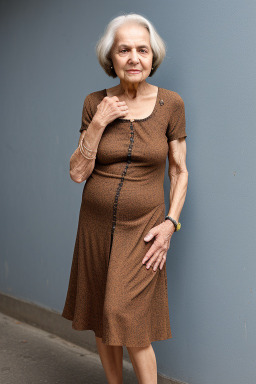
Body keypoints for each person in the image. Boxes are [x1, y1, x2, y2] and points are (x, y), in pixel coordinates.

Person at [61, 13, 188, 384]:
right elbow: (77, 173)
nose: (134, 57)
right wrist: (99, 122)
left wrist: (170, 224)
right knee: (103, 315)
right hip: (95, 226)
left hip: (145, 229)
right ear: (111, 58)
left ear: (153, 57)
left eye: (142, 50)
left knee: (126, 317)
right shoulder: (94, 103)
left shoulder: (171, 105)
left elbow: (179, 171)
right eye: (124, 50)